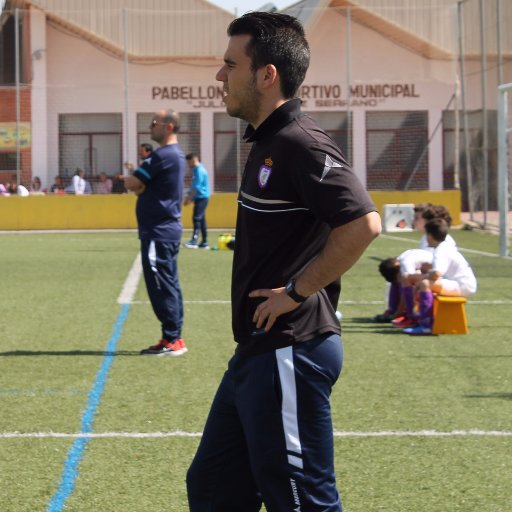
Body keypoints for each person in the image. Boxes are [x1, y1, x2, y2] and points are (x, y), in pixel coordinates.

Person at [186, 12, 381, 512]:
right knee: (214, 486)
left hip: (289, 350)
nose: (219, 76)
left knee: (300, 502)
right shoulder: (267, 141)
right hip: (257, 352)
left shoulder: (300, 143)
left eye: (230, 64)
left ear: (266, 74)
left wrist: (296, 291)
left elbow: (362, 224)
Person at [122, 109, 187, 356]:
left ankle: (173, 339)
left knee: (161, 285)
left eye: (154, 123)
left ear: (168, 126)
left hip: (159, 231)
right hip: (162, 230)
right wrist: (138, 185)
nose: (150, 127)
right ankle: (172, 337)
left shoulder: (163, 156)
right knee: (168, 283)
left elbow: (132, 182)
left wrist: (137, 184)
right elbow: (137, 184)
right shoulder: (173, 155)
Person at [404, 218, 477, 335]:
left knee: (425, 284)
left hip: (462, 285)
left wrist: (422, 279)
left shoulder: (441, 250)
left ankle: (426, 325)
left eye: (426, 234)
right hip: (461, 283)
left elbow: (437, 274)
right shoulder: (444, 247)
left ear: (430, 236)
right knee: (424, 283)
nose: (425, 237)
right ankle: (422, 319)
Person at [183, 153, 211, 249]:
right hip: (201, 197)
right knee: (201, 220)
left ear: (193, 160)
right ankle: (204, 242)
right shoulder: (197, 170)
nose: (188, 164)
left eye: (188, 162)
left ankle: (194, 241)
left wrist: (189, 198)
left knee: (196, 218)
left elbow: (197, 187)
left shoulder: (199, 171)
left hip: (201, 197)